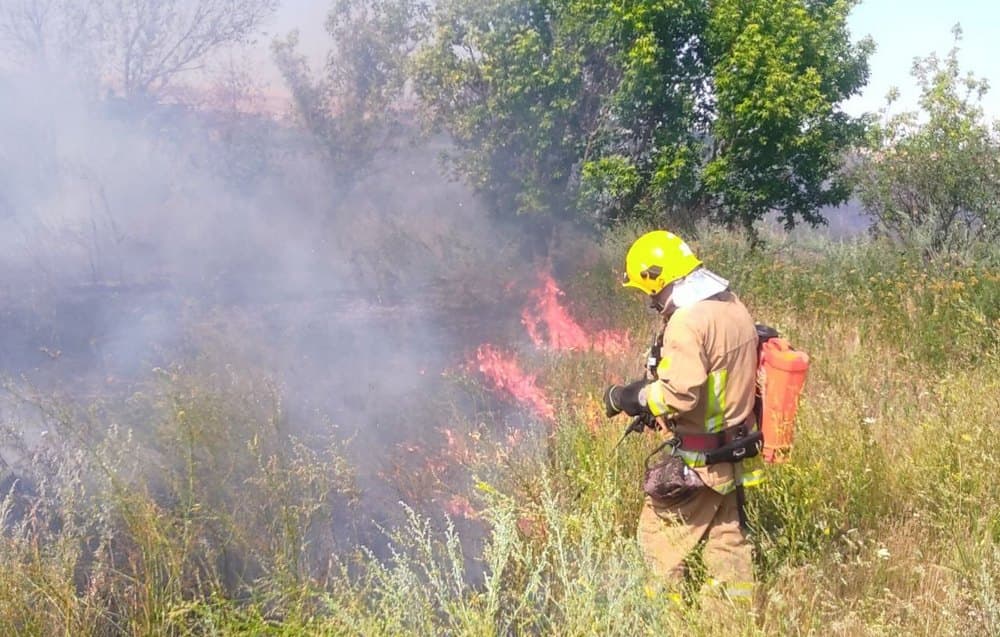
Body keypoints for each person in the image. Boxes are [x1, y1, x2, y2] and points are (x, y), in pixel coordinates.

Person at [604, 230, 761, 606]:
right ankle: (734, 621)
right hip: (734, 451)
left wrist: (635, 397)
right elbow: (715, 377)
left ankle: (663, 618)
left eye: (649, 291)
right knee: (727, 546)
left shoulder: (686, 322)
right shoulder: (731, 304)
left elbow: (681, 393)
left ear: (657, 280)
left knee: (656, 544)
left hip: (702, 460)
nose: (650, 301)